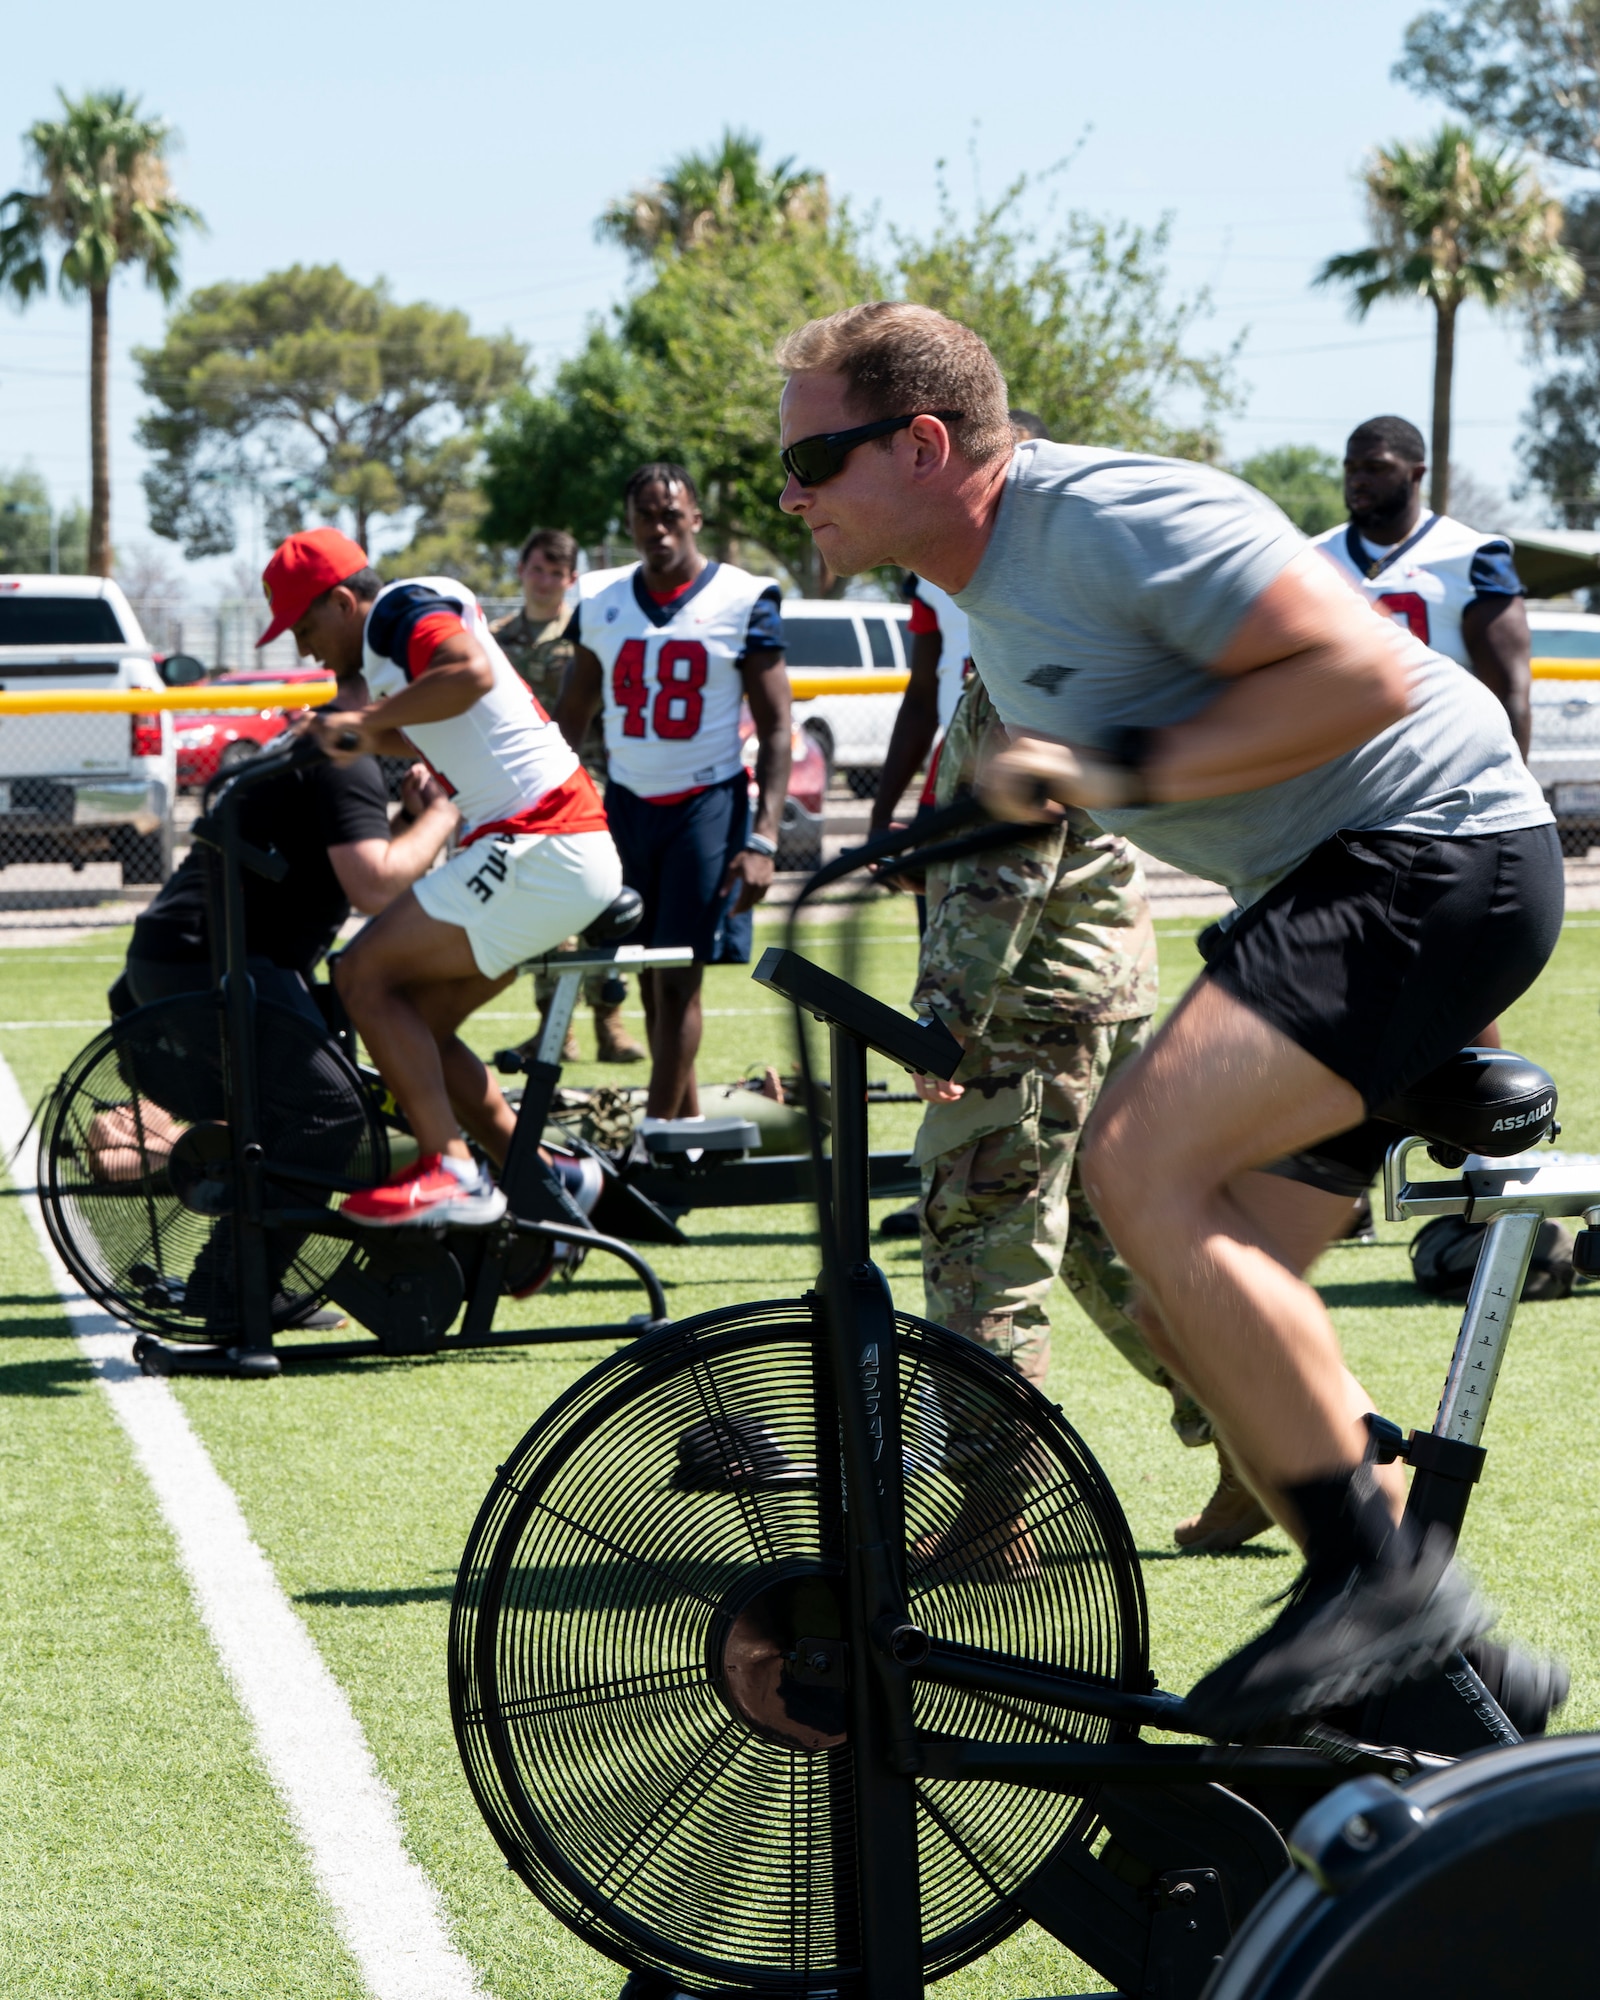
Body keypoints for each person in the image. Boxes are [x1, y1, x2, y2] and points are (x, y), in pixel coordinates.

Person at [774, 301, 1563, 1736]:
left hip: (1433, 854)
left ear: (925, 442)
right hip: (1334, 887)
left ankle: (1380, 1593)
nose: (791, 491)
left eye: (816, 459)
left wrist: (1105, 765)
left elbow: (1367, 676)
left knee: (1131, 1165)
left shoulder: (1104, 516)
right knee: (1212, 1310)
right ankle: (1451, 1669)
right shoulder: (985, 597)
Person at [903, 670, 1233, 1573]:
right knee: (1101, 1233)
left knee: (982, 1252)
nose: (797, 515)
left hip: (1029, 1007)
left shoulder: (1020, 656)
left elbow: (1014, 848)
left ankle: (993, 1518)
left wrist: (946, 1015)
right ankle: (1261, 1442)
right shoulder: (1060, 635)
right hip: (1094, 982)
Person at [261, 526, 624, 1227]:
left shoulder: (398, 611)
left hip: (541, 838)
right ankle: (547, 1180)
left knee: (362, 974)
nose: (303, 647)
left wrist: (360, 725)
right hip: (548, 843)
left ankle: (453, 1171)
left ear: (342, 602)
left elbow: (470, 674)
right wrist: (352, 729)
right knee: (415, 1028)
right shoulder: (396, 631)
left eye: (304, 626)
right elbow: (433, 722)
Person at [554, 463, 791, 1124]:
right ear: (628, 523)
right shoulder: (600, 596)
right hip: (626, 805)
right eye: (644, 516)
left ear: (695, 517)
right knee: (652, 985)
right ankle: (685, 1131)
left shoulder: (744, 597)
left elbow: (776, 729)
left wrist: (763, 838)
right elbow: (570, 719)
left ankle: (655, 1139)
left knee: (678, 978)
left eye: (670, 514)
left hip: (704, 805)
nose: (657, 528)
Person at [491, 526, 644, 1066]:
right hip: (524, 790)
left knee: (601, 899)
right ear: (521, 571)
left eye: (557, 573)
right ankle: (556, 1029)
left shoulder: (586, 637)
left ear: (570, 579)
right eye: (537, 569)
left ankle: (611, 1024)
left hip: (588, 782)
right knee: (544, 903)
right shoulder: (496, 640)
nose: (545, 581)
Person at [1312, 416, 1532, 756]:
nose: (1358, 480)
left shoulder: (1473, 556)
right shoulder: (1311, 559)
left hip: (1445, 760)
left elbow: (1510, 693)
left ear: (1416, 473)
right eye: (1351, 468)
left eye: (1375, 468)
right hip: (1342, 765)